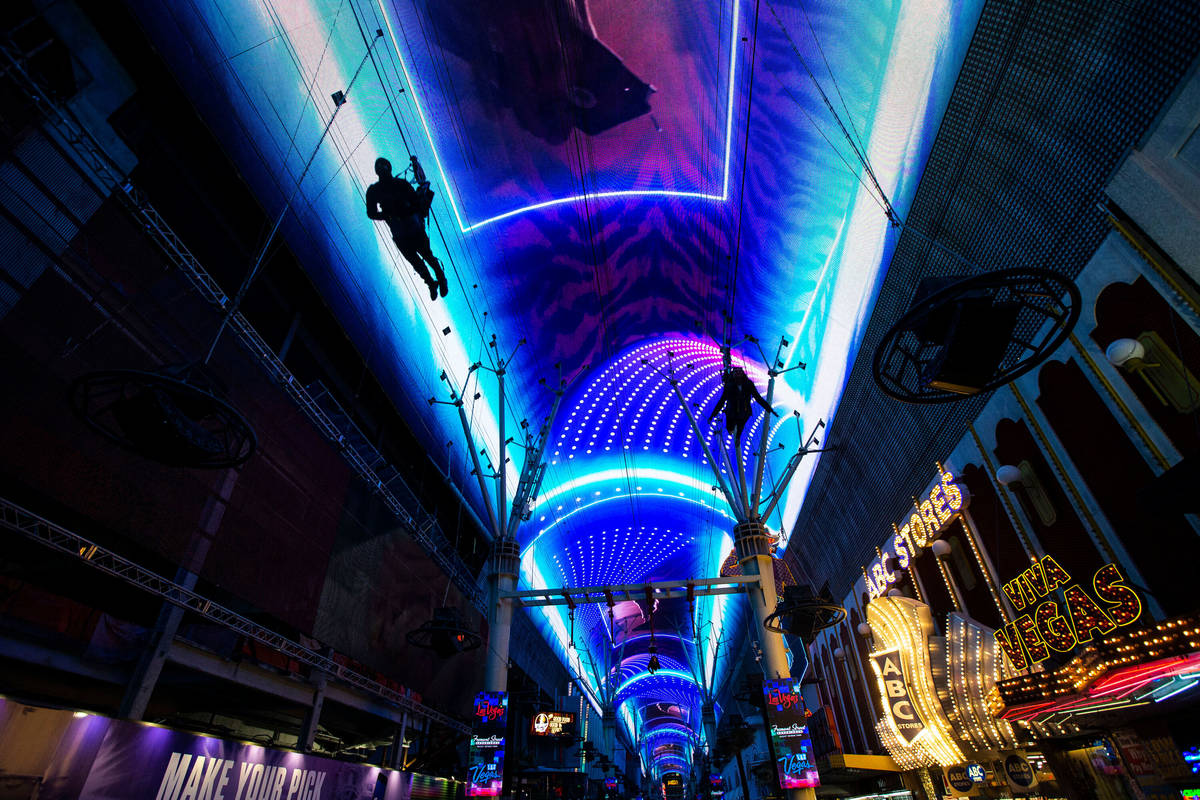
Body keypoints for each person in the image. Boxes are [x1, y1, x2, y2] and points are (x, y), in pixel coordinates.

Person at [366, 156, 448, 300]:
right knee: (417, 261)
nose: (383, 171)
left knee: (425, 257)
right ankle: (433, 282)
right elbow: (371, 213)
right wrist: (388, 215)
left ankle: (439, 280)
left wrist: (398, 212)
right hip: (402, 230)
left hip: (410, 227)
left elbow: (416, 203)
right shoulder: (377, 190)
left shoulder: (394, 186)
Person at [709, 366, 776, 439]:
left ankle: (737, 436)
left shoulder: (748, 384)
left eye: (739, 372)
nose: (738, 373)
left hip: (743, 412)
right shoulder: (729, 386)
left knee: (739, 426)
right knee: (731, 426)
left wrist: (769, 409)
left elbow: (758, 398)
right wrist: (713, 414)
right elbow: (722, 401)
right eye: (736, 372)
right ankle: (733, 432)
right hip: (733, 411)